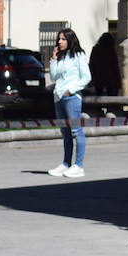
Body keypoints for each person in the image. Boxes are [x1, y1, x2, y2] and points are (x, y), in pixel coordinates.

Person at [48, 28, 90, 179]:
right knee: (65, 133)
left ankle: (78, 165)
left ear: (70, 40)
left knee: (76, 131)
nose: (59, 42)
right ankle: (66, 163)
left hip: (71, 98)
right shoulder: (61, 57)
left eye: (63, 39)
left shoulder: (78, 55)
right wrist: (53, 59)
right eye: (59, 39)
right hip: (58, 98)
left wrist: (70, 90)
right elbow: (53, 77)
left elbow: (86, 77)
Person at [88, 32, 121, 97]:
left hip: (98, 77)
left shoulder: (95, 50)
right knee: (111, 99)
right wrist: (118, 82)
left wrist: (92, 78)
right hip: (110, 78)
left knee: (98, 97)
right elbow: (115, 66)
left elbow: (91, 64)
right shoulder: (111, 50)